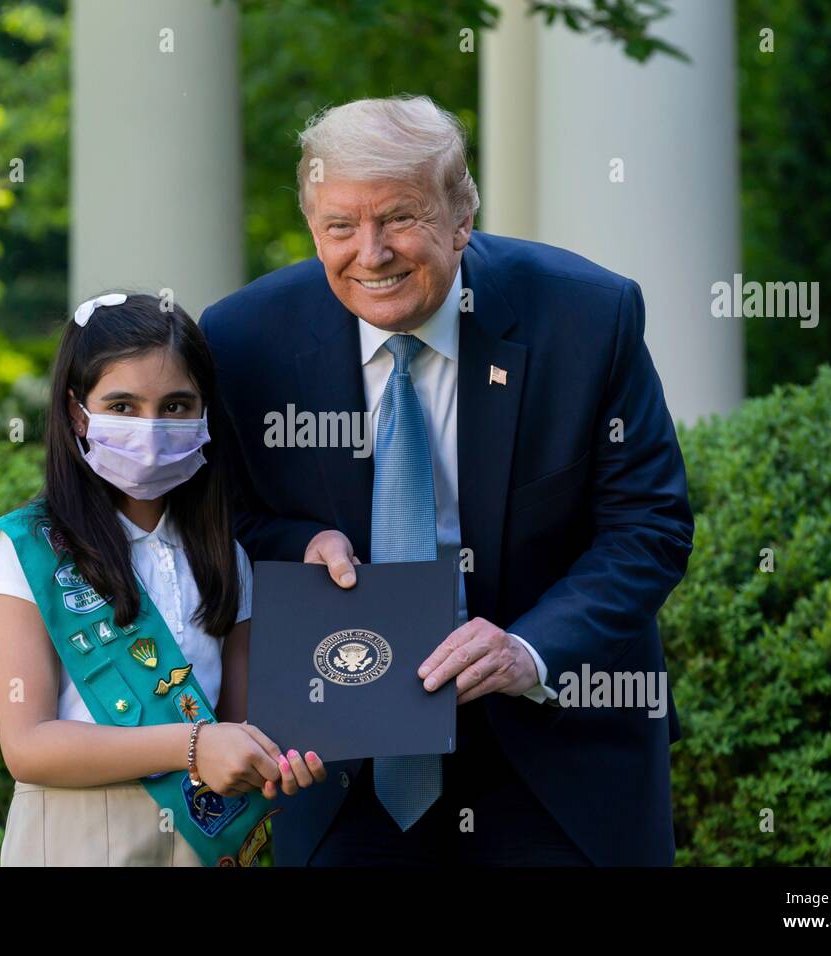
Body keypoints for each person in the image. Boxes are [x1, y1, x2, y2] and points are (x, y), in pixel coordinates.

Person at [200, 95, 695, 866]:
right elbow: (220, 525)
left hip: (556, 762)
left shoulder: (587, 316)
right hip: (340, 771)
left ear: (461, 215)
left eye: (400, 218)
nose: (371, 253)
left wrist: (529, 650)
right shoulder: (240, 340)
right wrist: (302, 542)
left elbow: (649, 527)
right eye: (339, 226)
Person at [0, 292, 325, 866]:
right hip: (74, 832)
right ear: (78, 412)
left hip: (203, 838)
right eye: (123, 406)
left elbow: (237, 721)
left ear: (205, 414)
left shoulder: (226, 556)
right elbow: (27, 746)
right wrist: (195, 745)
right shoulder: (26, 550)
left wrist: (277, 759)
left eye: (177, 406)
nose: (151, 429)